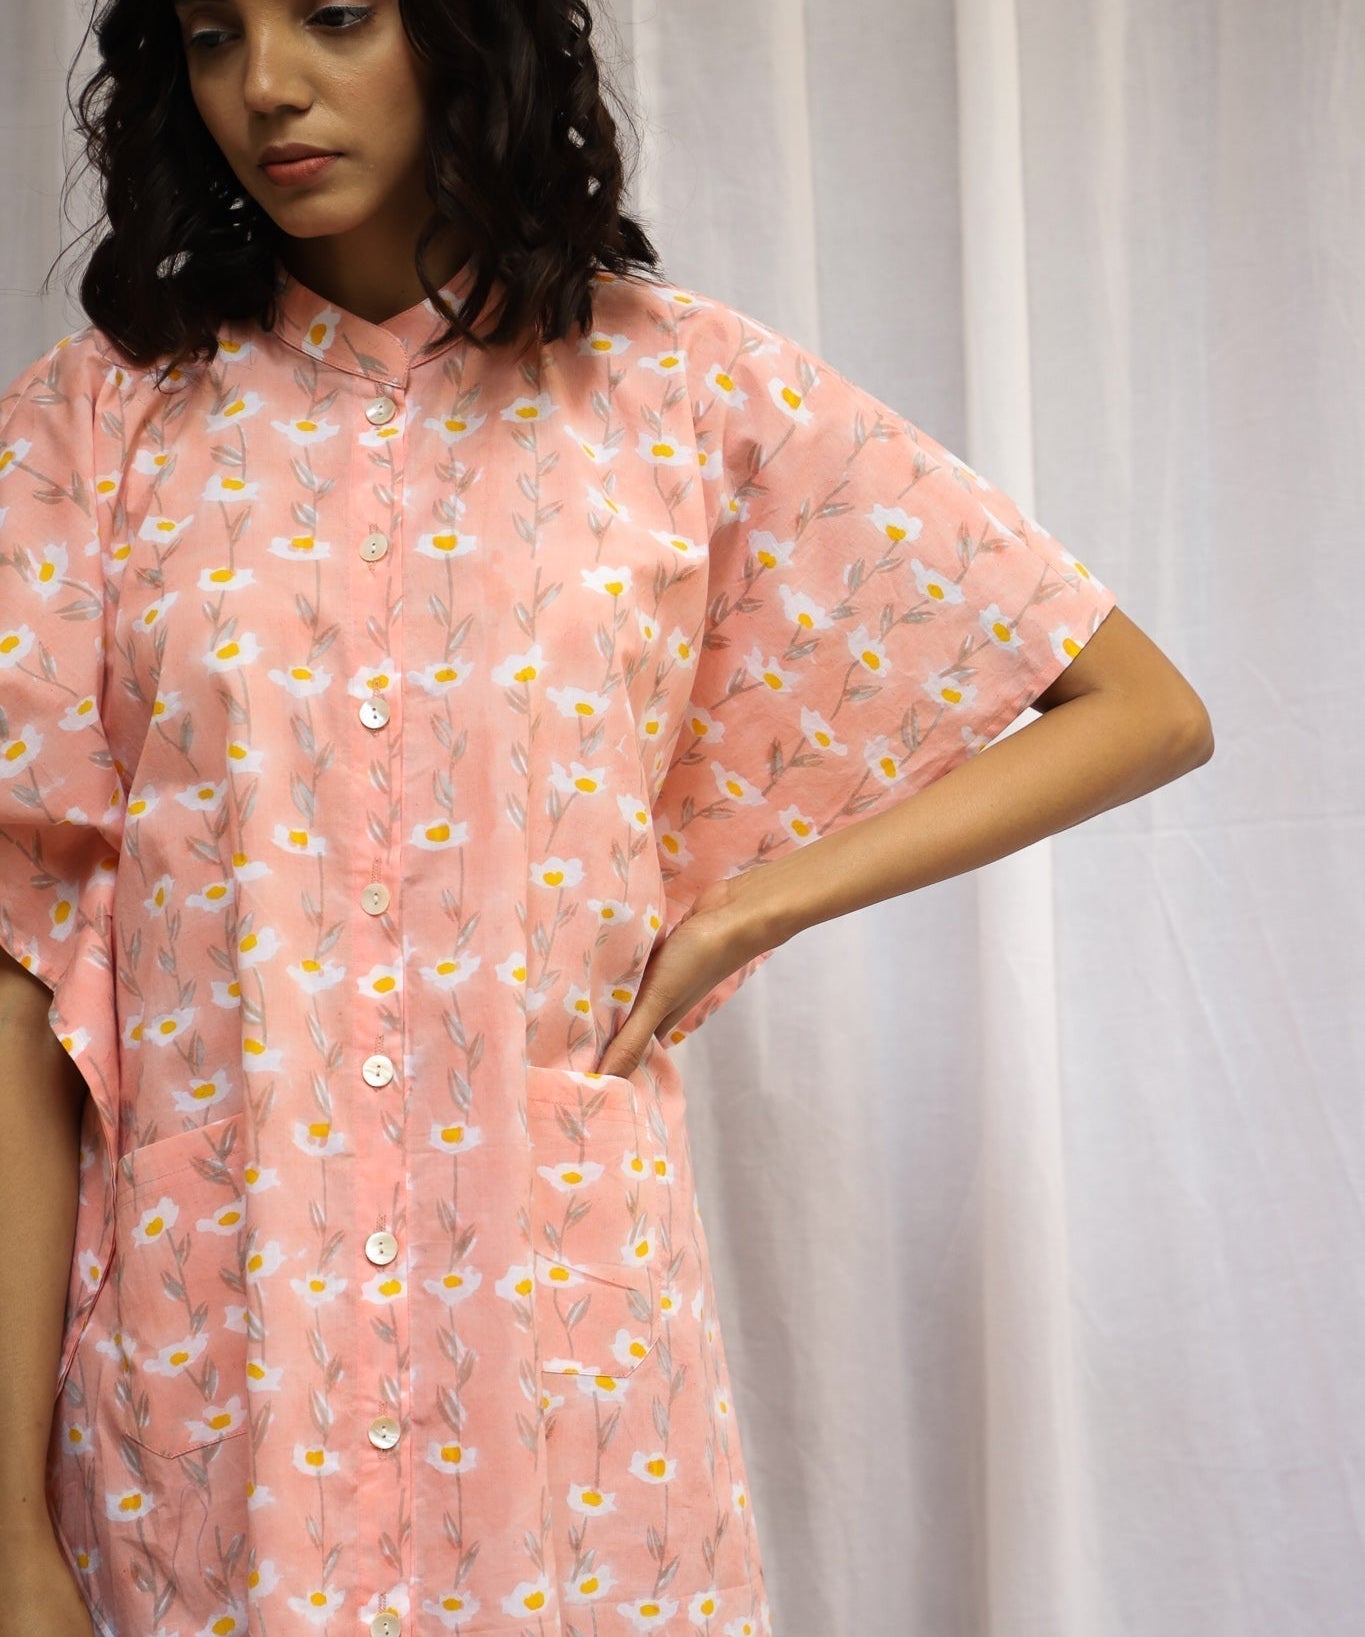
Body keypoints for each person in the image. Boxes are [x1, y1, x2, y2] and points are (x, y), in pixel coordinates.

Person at [0, 1, 1213, 1634]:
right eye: (215, 35)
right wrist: (7, 1524)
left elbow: (1137, 706)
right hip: (220, 1383)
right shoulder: (99, 424)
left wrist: (753, 903)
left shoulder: (677, 394)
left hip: (565, 1389)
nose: (267, 86)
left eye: (336, 16)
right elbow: (23, 976)